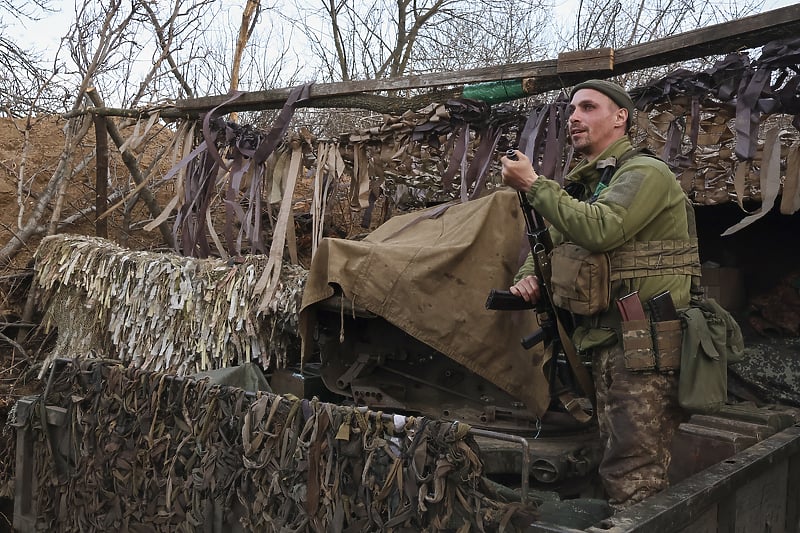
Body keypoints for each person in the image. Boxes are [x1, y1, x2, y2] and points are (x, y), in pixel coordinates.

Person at [500, 79, 700, 509]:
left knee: (634, 478)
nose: (574, 117)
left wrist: (534, 184)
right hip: (606, 346)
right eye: (572, 110)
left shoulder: (645, 173)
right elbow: (552, 241)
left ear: (620, 118)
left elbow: (600, 228)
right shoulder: (590, 183)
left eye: (588, 108)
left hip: (643, 350)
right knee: (614, 464)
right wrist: (528, 275)